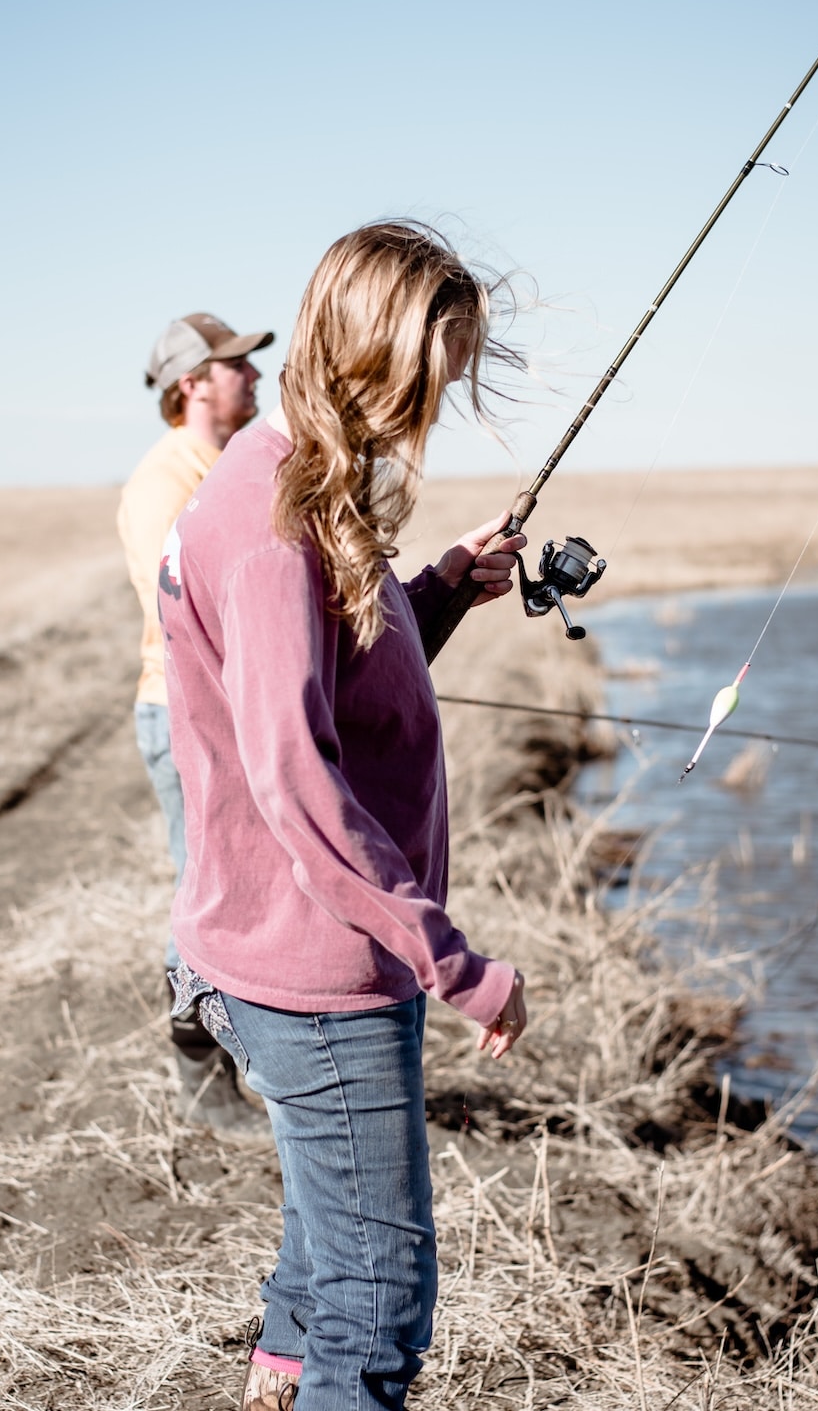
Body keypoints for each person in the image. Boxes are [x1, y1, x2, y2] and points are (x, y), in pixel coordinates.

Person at [159, 223, 529, 1410]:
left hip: (304, 948)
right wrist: (454, 962)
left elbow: (334, 667)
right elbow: (298, 781)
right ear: (378, 356)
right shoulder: (275, 524)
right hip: (314, 967)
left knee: (336, 1244)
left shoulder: (289, 478)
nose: (437, 409)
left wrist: (434, 593)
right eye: (435, 377)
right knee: (379, 1306)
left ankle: (277, 1372)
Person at [117, 312, 274, 1139]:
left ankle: (255, 1062)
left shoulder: (223, 465)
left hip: (231, 711)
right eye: (236, 365)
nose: (253, 375)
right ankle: (202, 1079)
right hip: (185, 716)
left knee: (241, 890)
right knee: (205, 898)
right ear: (192, 385)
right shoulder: (163, 482)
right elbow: (184, 614)